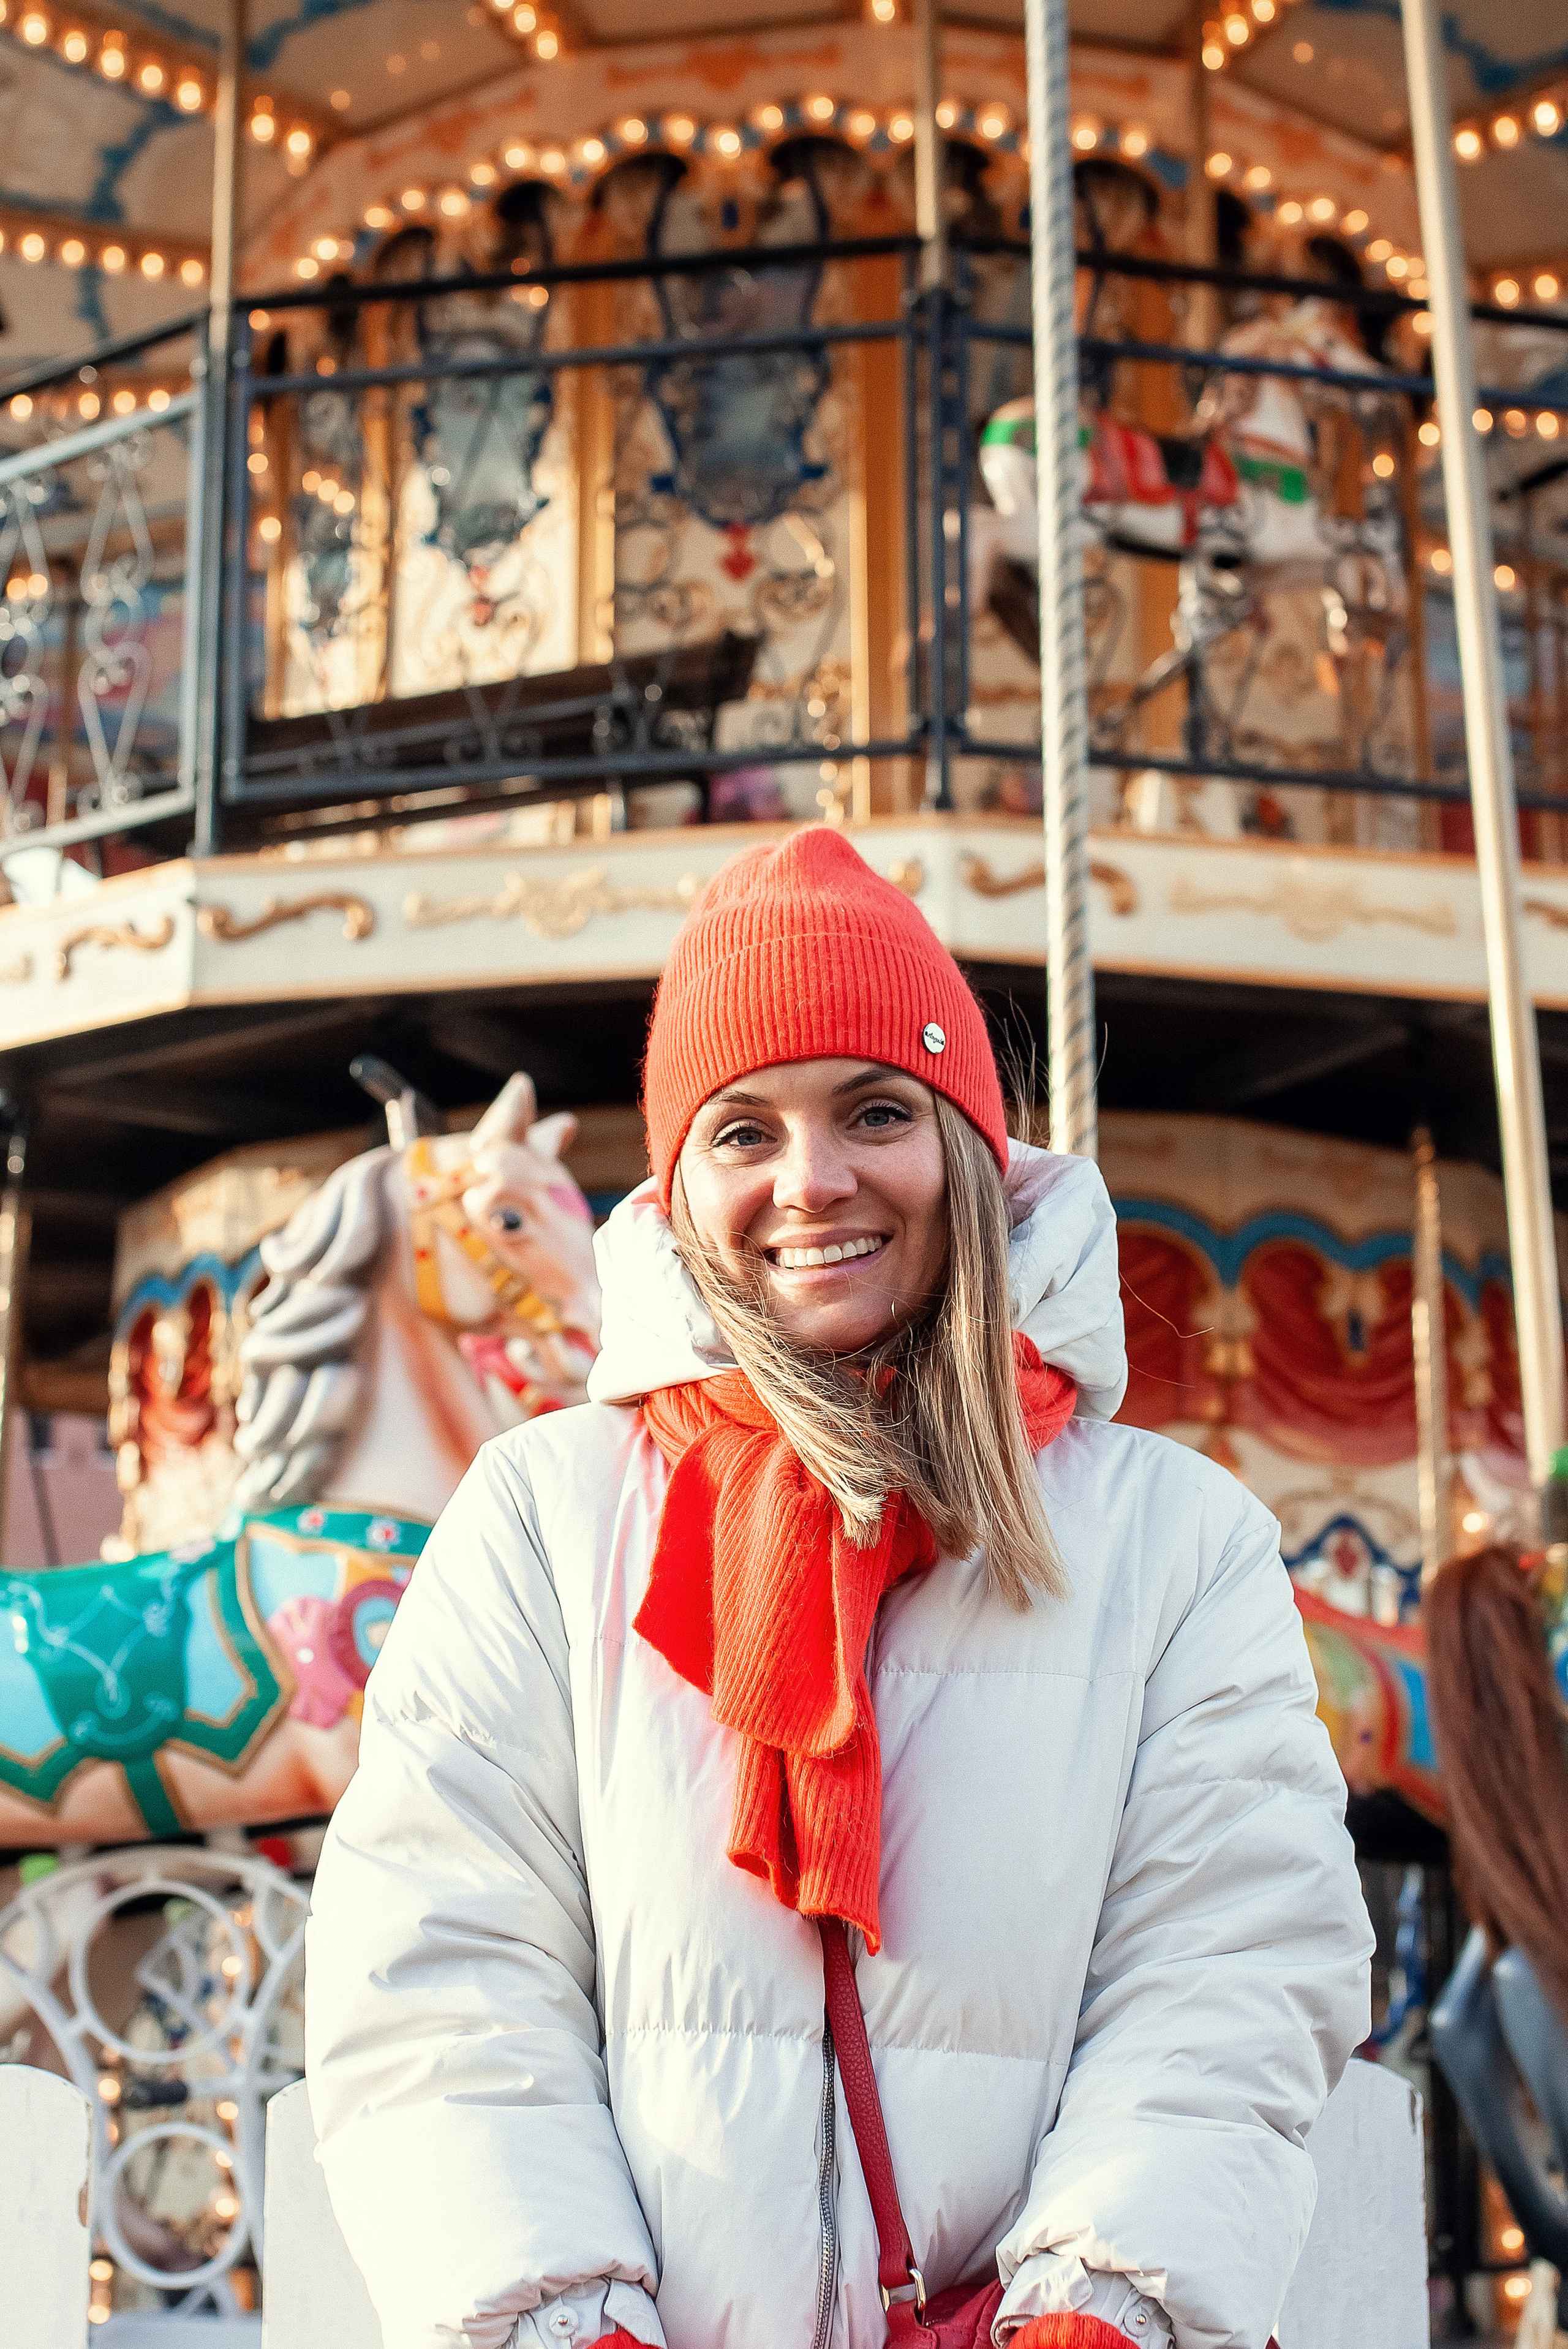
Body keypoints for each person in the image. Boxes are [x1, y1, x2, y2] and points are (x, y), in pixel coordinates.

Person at [306, 828, 1373, 2349]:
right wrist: (562, 2321)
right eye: (741, 1131)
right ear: (679, 1185)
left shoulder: (1177, 1542)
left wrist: (1100, 2309)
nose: (811, 1182)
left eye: (875, 1110)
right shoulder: (540, 1520)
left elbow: (1230, 1961)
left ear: (963, 1148)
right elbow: (439, 1970)